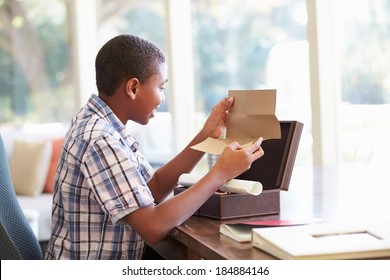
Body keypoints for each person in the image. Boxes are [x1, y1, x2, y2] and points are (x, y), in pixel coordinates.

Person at [45, 34, 264, 260]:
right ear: (133, 88)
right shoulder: (100, 139)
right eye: (161, 87)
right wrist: (221, 173)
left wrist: (206, 135)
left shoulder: (103, 124)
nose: (162, 98)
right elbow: (153, 227)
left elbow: (154, 187)